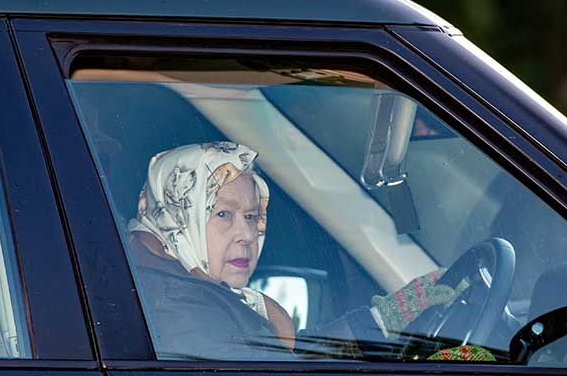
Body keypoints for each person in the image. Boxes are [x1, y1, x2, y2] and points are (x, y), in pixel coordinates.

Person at [127, 141, 481, 361]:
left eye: (252, 216)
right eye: (222, 214)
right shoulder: (179, 311)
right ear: (177, 214)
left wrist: (382, 321)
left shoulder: (187, 290)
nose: (247, 235)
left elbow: (287, 370)